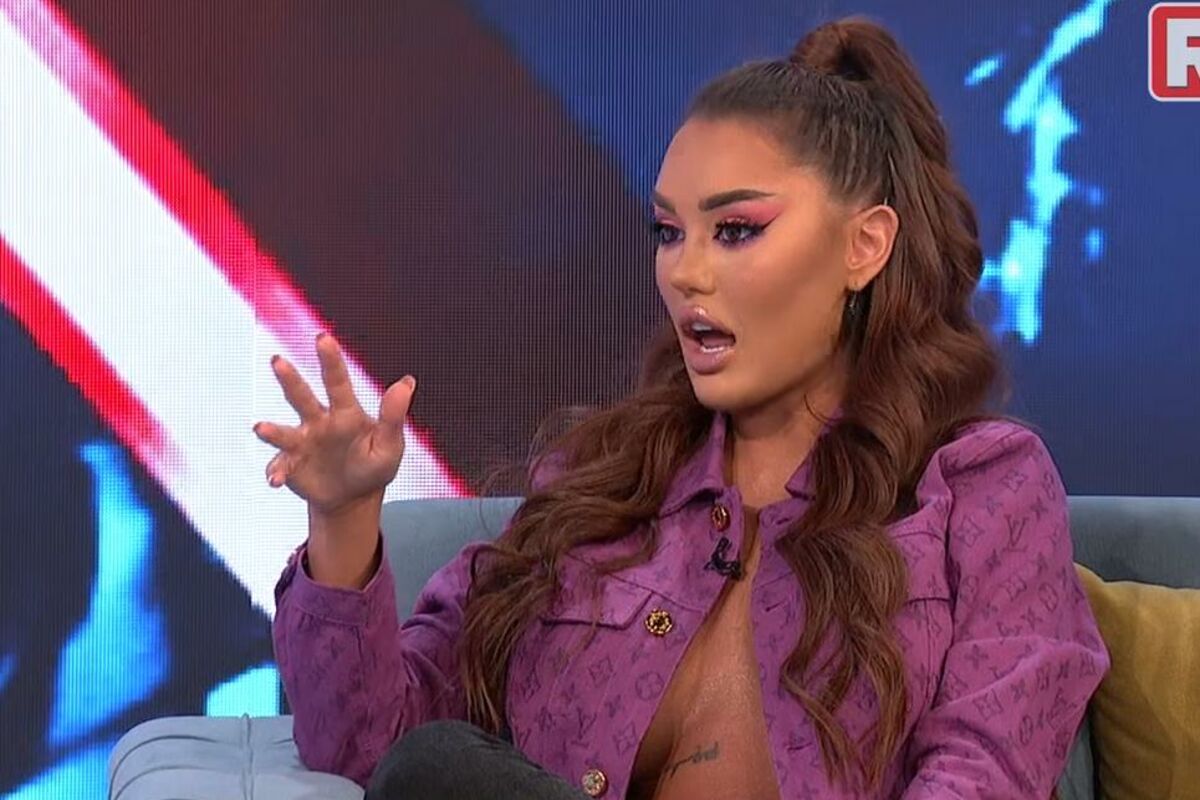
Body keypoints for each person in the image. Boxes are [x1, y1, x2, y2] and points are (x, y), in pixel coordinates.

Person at [255, 16, 1109, 800]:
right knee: (437, 766)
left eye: (735, 231)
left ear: (864, 245)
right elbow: (366, 744)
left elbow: (986, 773)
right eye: (669, 232)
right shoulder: (602, 481)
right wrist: (344, 518)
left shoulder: (982, 488)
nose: (685, 273)